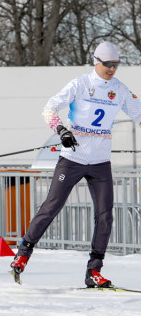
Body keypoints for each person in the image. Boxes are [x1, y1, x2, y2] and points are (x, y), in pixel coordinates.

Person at [10, 42, 141, 288]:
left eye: (116, 65)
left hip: (101, 162)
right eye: (107, 64)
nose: (112, 69)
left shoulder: (120, 90)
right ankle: (23, 253)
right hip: (73, 159)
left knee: (105, 216)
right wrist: (61, 130)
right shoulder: (80, 84)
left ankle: (94, 271)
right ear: (96, 62)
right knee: (52, 206)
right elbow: (49, 109)